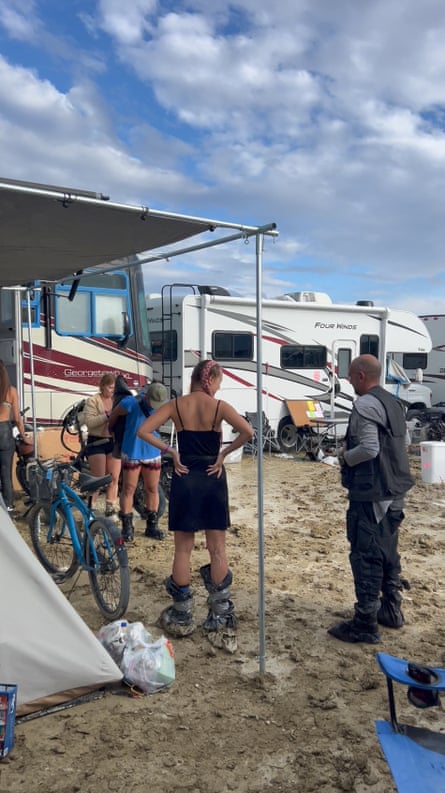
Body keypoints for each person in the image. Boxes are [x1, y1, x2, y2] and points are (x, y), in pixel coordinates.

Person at [137, 359, 254, 653]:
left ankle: (182, 615)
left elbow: (144, 430)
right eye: (219, 382)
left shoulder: (177, 405)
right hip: (213, 477)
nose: (219, 387)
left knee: (183, 550)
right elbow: (248, 432)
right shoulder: (219, 407)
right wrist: (224, 453)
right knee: (217, 549)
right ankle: (220, 615)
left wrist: (171, 452)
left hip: (184, 476)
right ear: (210, 380)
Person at [328, 354, 414, 645]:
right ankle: (391, 609)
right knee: (388, 551)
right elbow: (405, 443)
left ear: (361, 376)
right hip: (396, 490)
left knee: (365, 554)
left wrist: (344, 458)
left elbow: (369, 448)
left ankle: (365, 623)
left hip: (373, 492)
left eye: (351, 376)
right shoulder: (394, 403)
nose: (349, 380)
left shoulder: (364, 405)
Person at [108, 381, 168, 542]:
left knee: (152, 488)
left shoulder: (165, 404)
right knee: (128, 488)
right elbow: (113, 417)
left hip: (153, 451)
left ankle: (152, 525)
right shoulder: (129, 403)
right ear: (146, 395)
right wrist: (113, 433)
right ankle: (127, 527)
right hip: (132, 451)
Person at [82, 373, 121, 516]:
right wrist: (107, 415)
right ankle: (89, 510)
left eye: (114, 388)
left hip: (113, 441)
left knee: (113, 477)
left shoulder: (117, 400)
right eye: (110, 387)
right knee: (97, 479)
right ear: (103, 386)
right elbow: (90, 422)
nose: (112, 390)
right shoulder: (93, 401)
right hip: (96, 441)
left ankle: (110, 509)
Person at [0, 359, 27, 512]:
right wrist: (24, 437)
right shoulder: (11, 391)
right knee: (6, 472)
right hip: (4, 431)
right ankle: (8, 506)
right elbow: (17, 418)